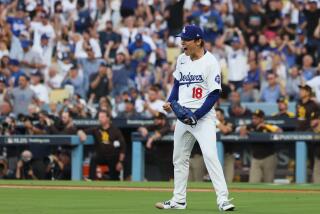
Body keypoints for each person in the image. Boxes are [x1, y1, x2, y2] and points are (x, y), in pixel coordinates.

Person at [157, 25, 235, 211]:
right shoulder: (182, 59)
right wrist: (170, 101)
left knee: (210, 156)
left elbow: (215, 93)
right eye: (181, 38)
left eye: (186, 39)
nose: (182, 42)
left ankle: (223, 199)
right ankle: (178, 200)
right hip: (182, 115)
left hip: (203, 117)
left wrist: (197, 115)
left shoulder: (210, 62)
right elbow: (177, 84)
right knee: (179, 158)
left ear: (198, 41)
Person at [78, 110, 126, 180]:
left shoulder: (115, 130)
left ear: (108, 118)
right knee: (94, 158)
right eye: (99, 117)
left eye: (102, 117)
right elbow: (81, 131)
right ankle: (91, 179)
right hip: (101, 156)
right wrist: (80, 133)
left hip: (113, 157)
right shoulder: (96, 129)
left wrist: (120, 162)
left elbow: (123, 147)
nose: (100, 119)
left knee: (114, 178)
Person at [239, 110, 282, 183]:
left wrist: (265, 126)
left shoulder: (269, 125)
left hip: (269, 157)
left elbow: (279, 131)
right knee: (253, 182)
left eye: (256, 118)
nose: (254, 120)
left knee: (268, 182)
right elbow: (241, 131)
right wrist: (244, 129)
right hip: (256, 158)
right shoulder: (251, 126)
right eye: (253, 118)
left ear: (262, 119)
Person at [310, 112, 320, 183]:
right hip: (317, 156)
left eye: (315, 119)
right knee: (316, 172)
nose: (313, 121)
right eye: (312, 119)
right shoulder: (310, 130)